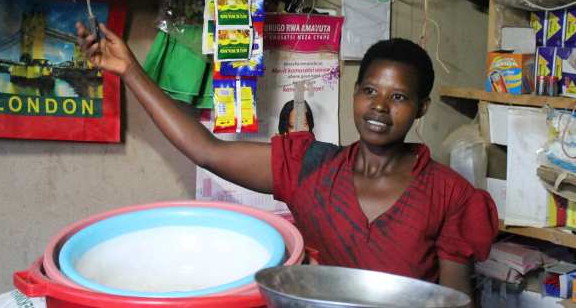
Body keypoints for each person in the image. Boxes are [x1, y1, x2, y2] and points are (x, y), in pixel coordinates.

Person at [76, 23, 497, 298]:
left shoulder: (449, 194)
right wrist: (130, 70)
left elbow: (453, 302)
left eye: (399, 97)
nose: (380, 107)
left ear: (421, 108)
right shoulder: (309, 168)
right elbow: (206, 150)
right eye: (370, 91)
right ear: (355, 94)